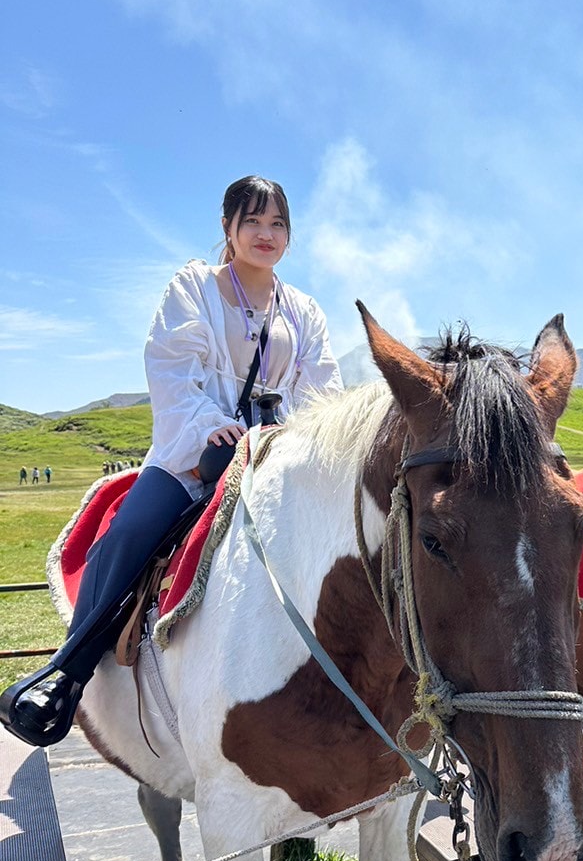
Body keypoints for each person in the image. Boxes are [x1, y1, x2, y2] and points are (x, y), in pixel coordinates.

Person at [0, 175, 343, 747]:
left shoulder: (303, 310)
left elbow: (320, 386)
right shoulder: (194, 287)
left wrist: (289, 436)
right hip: (197, 454)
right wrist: (214, 425)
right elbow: (172, 368)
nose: (266, 234)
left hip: (275, 454)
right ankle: (70, 670)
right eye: (253, 221)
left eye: (277, 223)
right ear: (227, 228)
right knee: (132, 533)